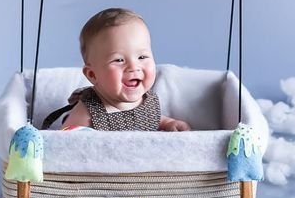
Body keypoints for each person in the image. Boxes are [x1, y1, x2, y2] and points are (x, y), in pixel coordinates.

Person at [42, 8, 190, 131]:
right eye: (119, 60)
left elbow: (151, 120)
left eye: (142, 57)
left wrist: (168, 123)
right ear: (92, 75)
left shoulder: (147, 101)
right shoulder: (88, 112)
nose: (133, 67)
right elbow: (64, 141)